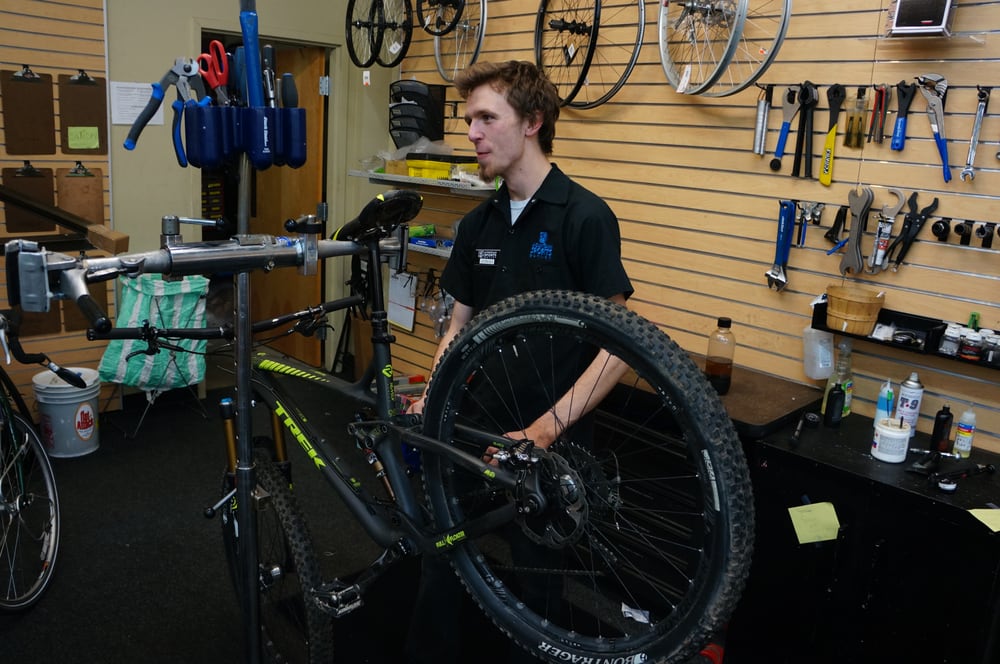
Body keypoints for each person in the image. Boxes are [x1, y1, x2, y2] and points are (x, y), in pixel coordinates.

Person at [404, 60, 633, 664]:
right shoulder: (476, 223)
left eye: (486, 118)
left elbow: (620, 347)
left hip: (548, 445)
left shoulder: (584, 217)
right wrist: (433, 394)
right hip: (471, 429)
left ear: (532, 121)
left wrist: (545, 429)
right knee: (441, 558)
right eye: (469, 119)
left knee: (538, 594)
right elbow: (457, 326)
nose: (471, 133)